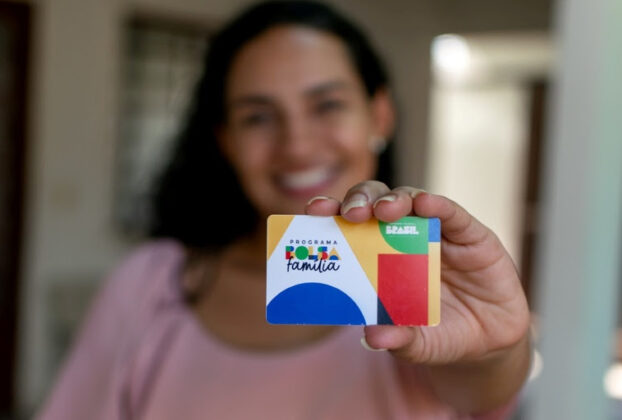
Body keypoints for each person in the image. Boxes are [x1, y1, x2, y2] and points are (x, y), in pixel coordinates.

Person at [39, 1, 531, 419]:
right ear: (226, 140)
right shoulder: (148, 287)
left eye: (327, 105)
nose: (296, 145)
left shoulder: (427, 290)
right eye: (258, 117)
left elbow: (481, 388)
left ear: (379, 115)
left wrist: (496, 350)